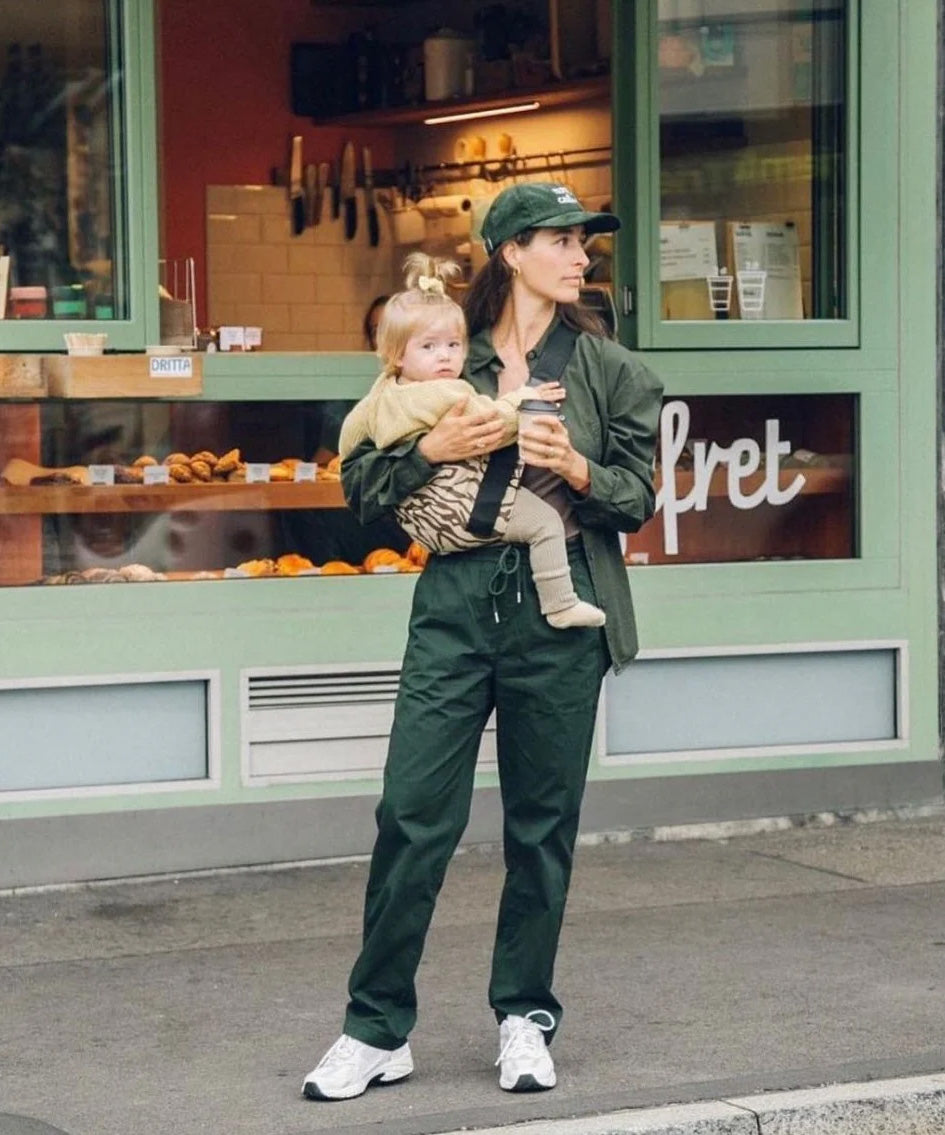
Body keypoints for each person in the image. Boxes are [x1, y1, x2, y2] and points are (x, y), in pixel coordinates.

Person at [301, 182, 663, 1101]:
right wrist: (429, 450)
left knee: (542, 826)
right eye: (561, 240)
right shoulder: (433, 353)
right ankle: (375, 1028)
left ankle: (524, 1017)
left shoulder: (608, 367)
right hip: (455, 606)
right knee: (411, 814)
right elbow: (362, 486)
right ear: (510, 251)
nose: (581, 255)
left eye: (585, 242)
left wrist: (578, 466)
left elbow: (636, 496)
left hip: (560, 606)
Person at [338, 251, 606, 629]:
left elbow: (351, 435)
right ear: (397, 356)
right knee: (545, 523)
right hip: (466, 509)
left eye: (453, 345)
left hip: (429, 528)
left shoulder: (381, 393)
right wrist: (525, 402)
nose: (445, 357)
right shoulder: (445, 393)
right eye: (429, 347)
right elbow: (491, 423)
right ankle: (560, 603)